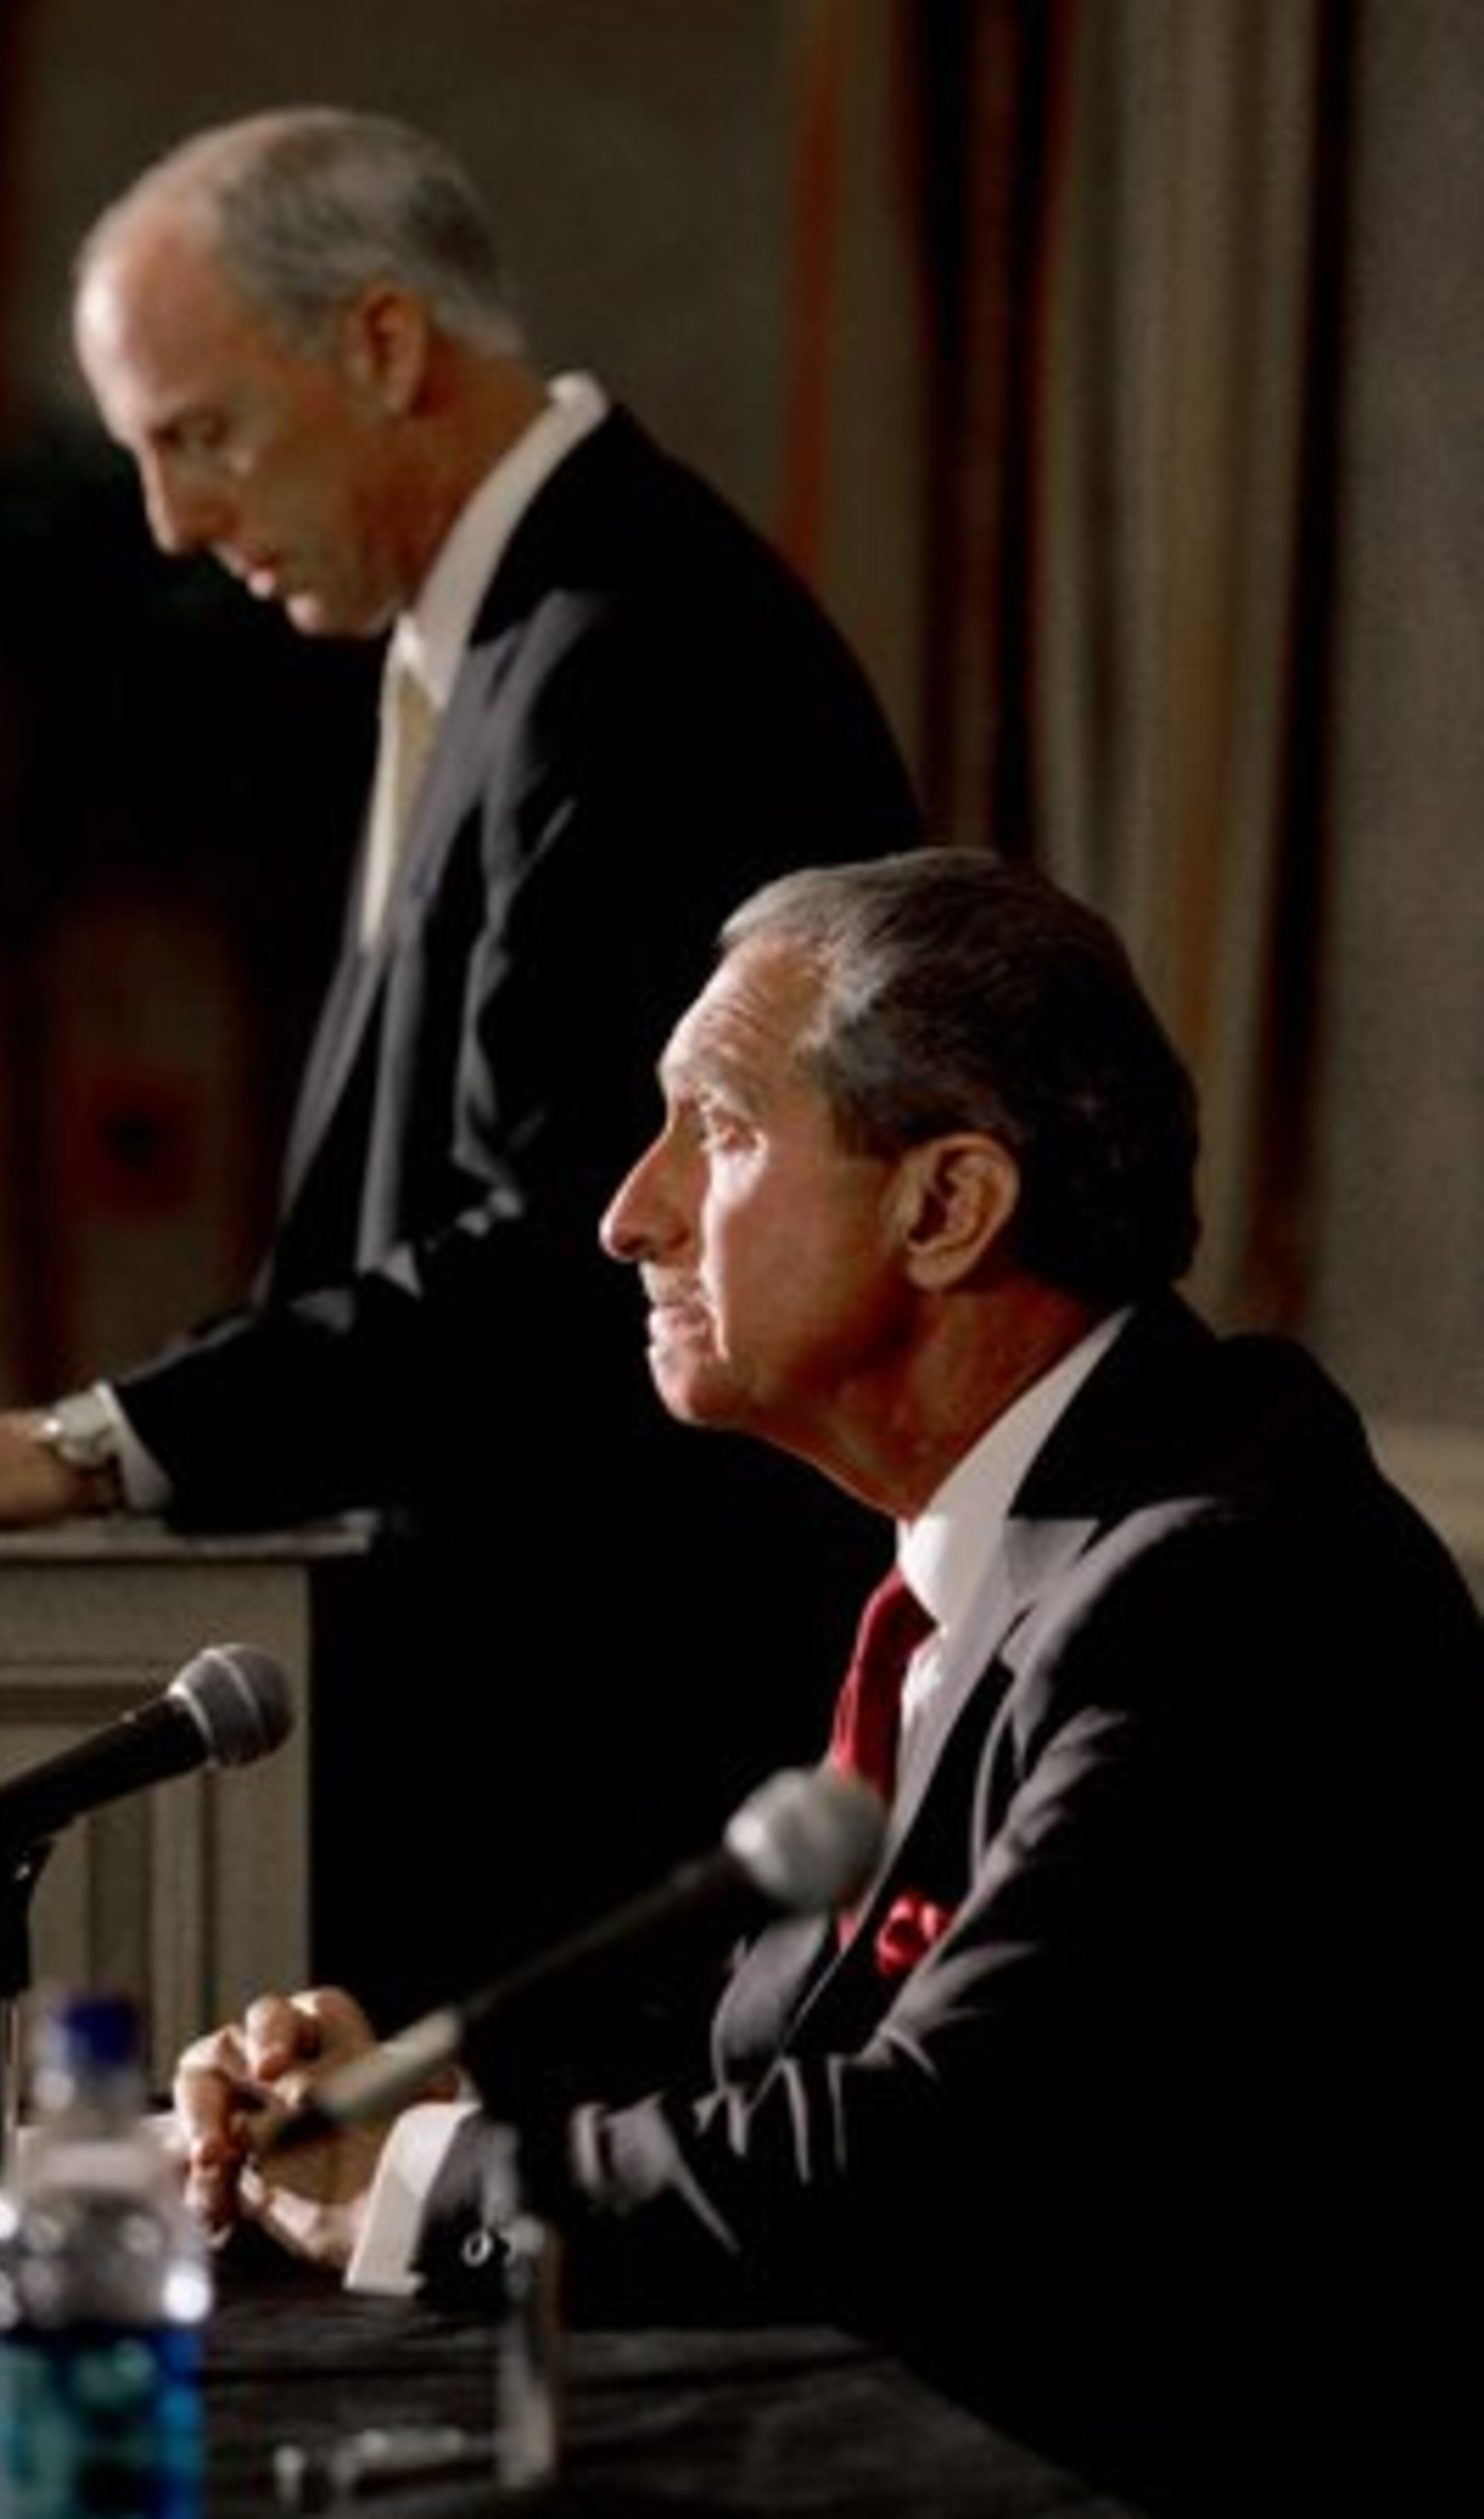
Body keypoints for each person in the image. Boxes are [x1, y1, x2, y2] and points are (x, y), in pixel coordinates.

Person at [0, 109, 923, 2022]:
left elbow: (568, 1256)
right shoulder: (506, 636)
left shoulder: (636, 647)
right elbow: (400, 1234)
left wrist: (82, 1448)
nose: (168, 522)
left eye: (200, 435)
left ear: (382, 343)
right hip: (538, 1723)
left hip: (624, 1741)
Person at [170, 848, 1483, 2515]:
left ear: (945, 1207)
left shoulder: (1226, 1584)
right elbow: (781, 2046)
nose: (628, 1214)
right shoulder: (1025, 1535)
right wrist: (425, 2096)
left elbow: (939, 2151)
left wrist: (429, 2177)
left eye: (718, 1131)